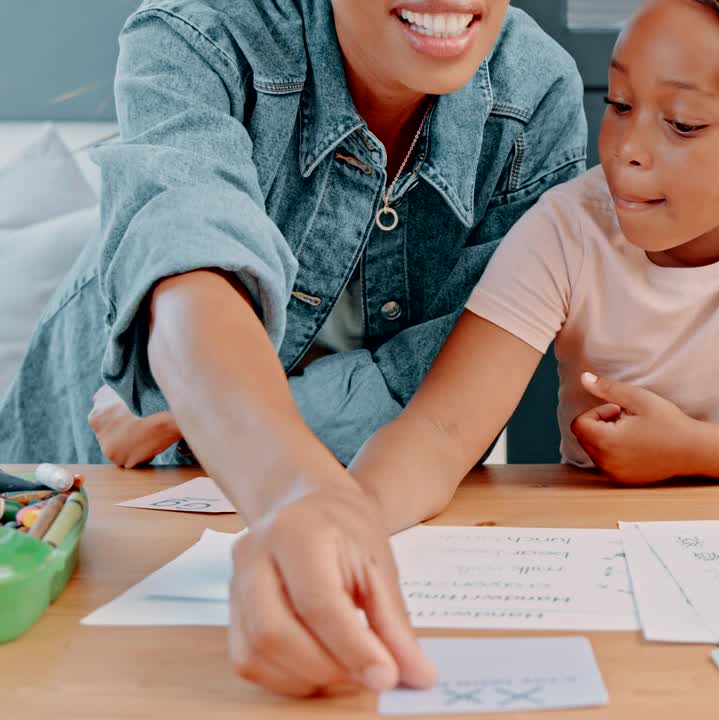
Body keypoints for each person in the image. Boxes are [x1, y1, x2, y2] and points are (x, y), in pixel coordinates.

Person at [0, 0, 587, 697]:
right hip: (92, 498)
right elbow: (190, 264)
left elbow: (435, 388)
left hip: (354, 503)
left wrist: (193, 417)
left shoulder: (536, 96)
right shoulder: (200, 34)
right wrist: (295, 489)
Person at [348, 0, 719, 531]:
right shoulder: (566, 229)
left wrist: (691, 449)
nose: (627, 148)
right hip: (605, 538)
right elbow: (441, 429)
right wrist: (347, 526)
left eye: (682, 124)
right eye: (619, 104)